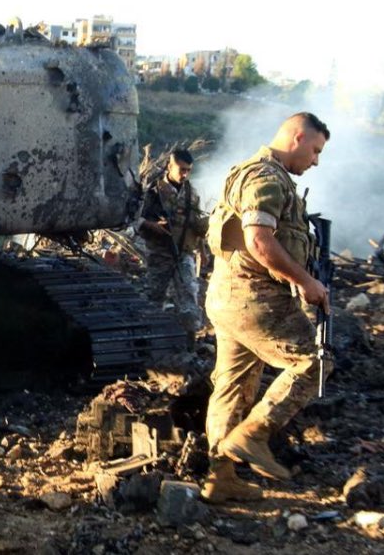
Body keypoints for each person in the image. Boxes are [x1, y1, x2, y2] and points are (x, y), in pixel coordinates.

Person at [200, 112, 331, 503]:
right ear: (298, 137)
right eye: (315, 150)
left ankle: (220, 477)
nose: (316, 161)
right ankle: (254, 435)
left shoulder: (253, 173)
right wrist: (305, 281)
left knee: (232, 386)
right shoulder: (266, 177)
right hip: (254, 298)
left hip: (228, 296)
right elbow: (259, 240)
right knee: (314, 362)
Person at [137, 148, 209, 332]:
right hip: (159, 254)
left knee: (189, 297)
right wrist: (152, 225)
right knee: (154, 297)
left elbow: (193, 223)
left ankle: (190, 339)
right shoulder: (153, 192)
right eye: (181, 169)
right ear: (170, 166)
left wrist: (202, 251)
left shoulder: (191, 193)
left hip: (184, 253)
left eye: (188, 170)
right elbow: (135, 218)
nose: (185, 174)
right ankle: (149, 336)